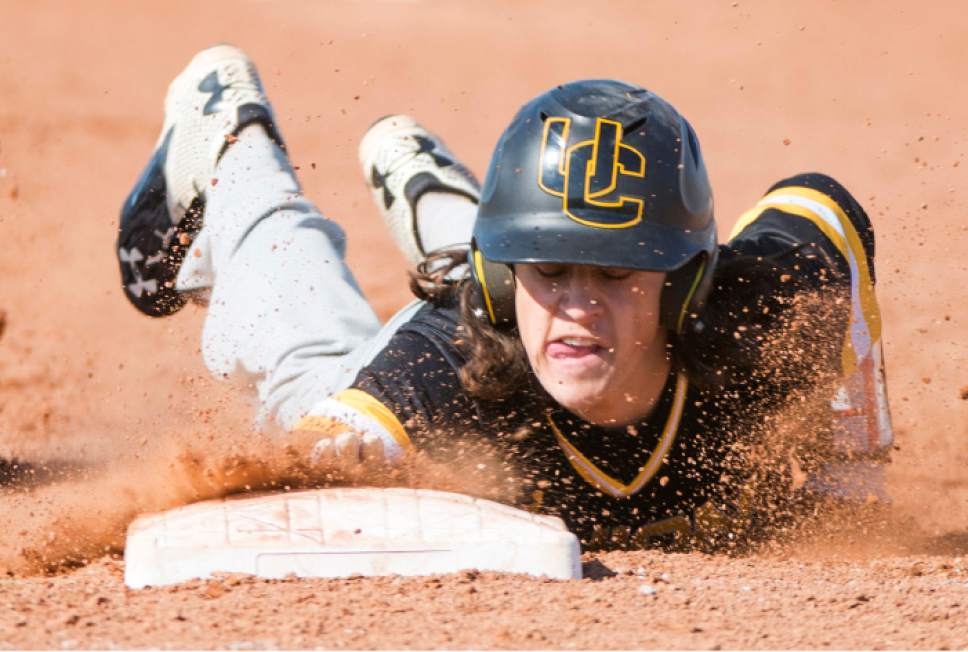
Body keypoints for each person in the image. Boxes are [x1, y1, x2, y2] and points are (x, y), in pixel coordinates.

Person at [116, 45, 893, 549]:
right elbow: (303, 459)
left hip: (499, 267)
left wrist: (850, 481)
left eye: (619, 275)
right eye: (549, 272)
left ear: (687, 282)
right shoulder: (433, 375)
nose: (581, 308)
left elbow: (823, 212)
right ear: (500, 277)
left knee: (559, 243)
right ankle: (231, 139)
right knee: (303, 359)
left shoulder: (761, 311)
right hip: (418, 347)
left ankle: (440, 204)